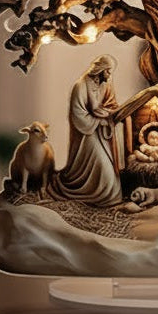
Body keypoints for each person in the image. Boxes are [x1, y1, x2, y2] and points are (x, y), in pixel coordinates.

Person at [52, 54, 123, 206]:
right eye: (108, 71)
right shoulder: (80, 86)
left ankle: (107, 198)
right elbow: (78, 115)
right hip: (86, 133)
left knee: (111, 173)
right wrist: (98, 120)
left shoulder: (106, 83)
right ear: (101, 69)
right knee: (104, 169)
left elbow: (111, 104)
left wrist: (109, 113)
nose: (109, 75)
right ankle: (91, 196)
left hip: (100, 132)